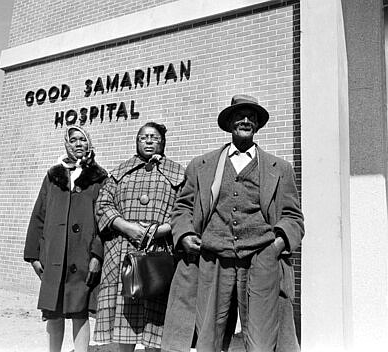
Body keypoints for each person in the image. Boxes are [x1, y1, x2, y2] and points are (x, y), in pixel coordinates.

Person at [162, 94, 304, 352]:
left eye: (252, 117)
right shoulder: (201, 165)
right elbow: (182, 208)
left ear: (258, 125)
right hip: (213, 257)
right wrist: (184, 235)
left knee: (262, 340)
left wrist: (278, 244)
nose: (246, 120)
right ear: (229, 124)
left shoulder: (280, 168)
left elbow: (293, 217)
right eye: (239, 116)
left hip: (262, 256)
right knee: (208, 336)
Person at [93, 122, 185, 352]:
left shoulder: (178, 174)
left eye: (154, 137)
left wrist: (160, 230)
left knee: (155, 324)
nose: (149, 141)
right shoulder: (119, 173)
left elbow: (187, 210)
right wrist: (127, 227)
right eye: (143, 137)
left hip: (158, 255)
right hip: (122, 252)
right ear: (136, 141)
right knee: (123, 324)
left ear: (162, 142)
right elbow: (102, 205)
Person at [23, 126, 107, 352]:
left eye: (83, 139)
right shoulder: (54, 175)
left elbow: (104, 220)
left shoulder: (99, 177)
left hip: (83, 256)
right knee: (54, 312)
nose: (78, 143)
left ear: (89, 143)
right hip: (54, 256)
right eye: (74, 139)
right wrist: (33, 256)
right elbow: (39, 214)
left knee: (80, 313)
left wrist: (97, 255)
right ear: (67, 143)